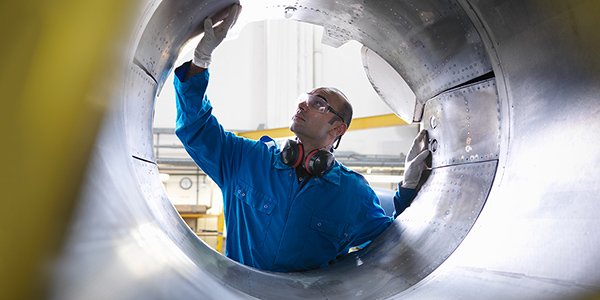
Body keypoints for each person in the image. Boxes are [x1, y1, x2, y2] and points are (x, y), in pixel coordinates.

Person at [173, 4, 430, 272]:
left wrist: (408, 189)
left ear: (337, 129)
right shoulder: (245, 159)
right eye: (304, 99)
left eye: (318, 103)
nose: (303, 105)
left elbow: (392, 242)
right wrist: (200, 60)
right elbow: (195, 126)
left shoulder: (353, 195)